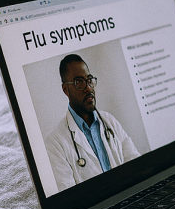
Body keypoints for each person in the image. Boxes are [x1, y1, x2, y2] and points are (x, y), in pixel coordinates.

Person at [46, 53, 140, 190]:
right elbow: (68, 194)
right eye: (79, 82)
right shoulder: (55, 143)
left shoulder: (109, 121)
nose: (88, 88)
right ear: (66, 89)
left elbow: (136, 165)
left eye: (89, 80)